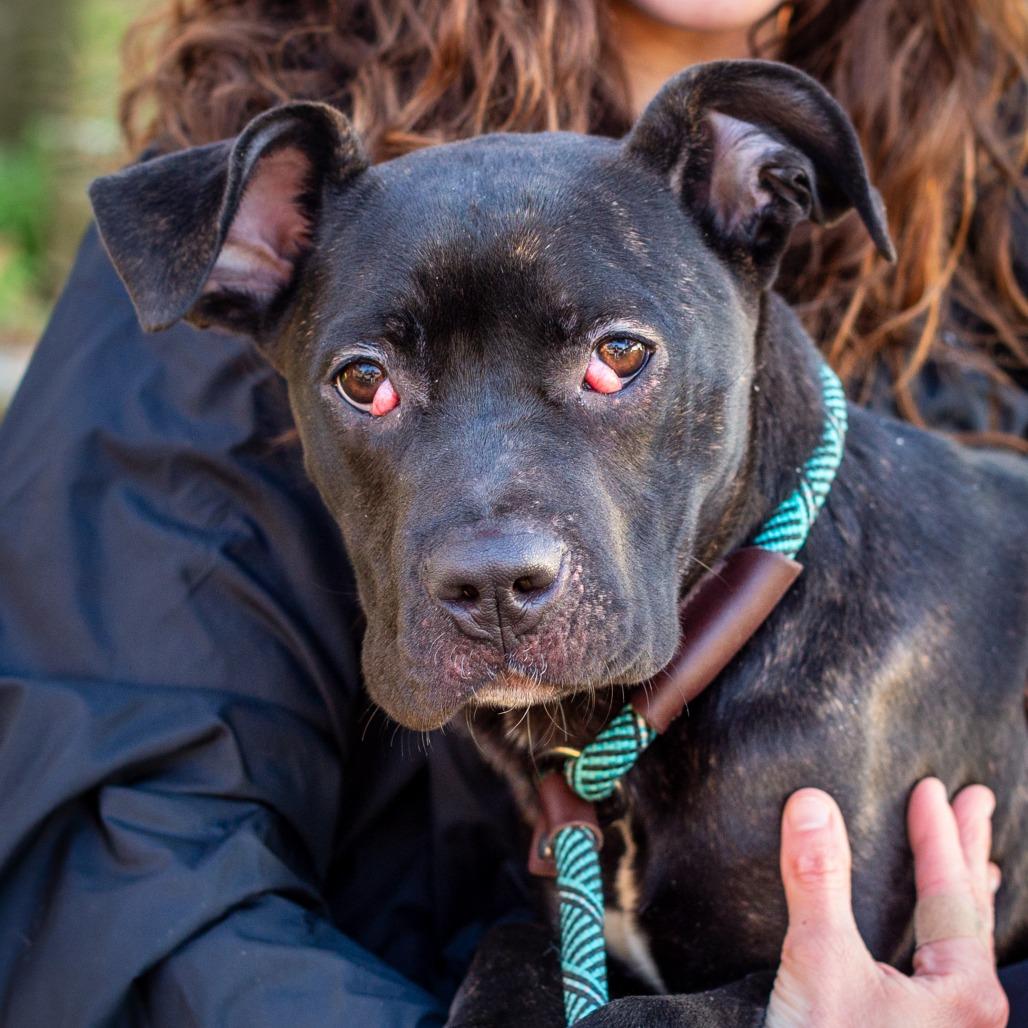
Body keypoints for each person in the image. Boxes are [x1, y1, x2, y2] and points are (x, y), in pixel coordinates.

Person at [0, 1, 1023, 1025]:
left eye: (613, 358)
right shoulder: (265, 190)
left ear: (771, 192)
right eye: (370, 384)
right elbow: (118, 866)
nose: (497, 548)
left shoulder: (993, 174)